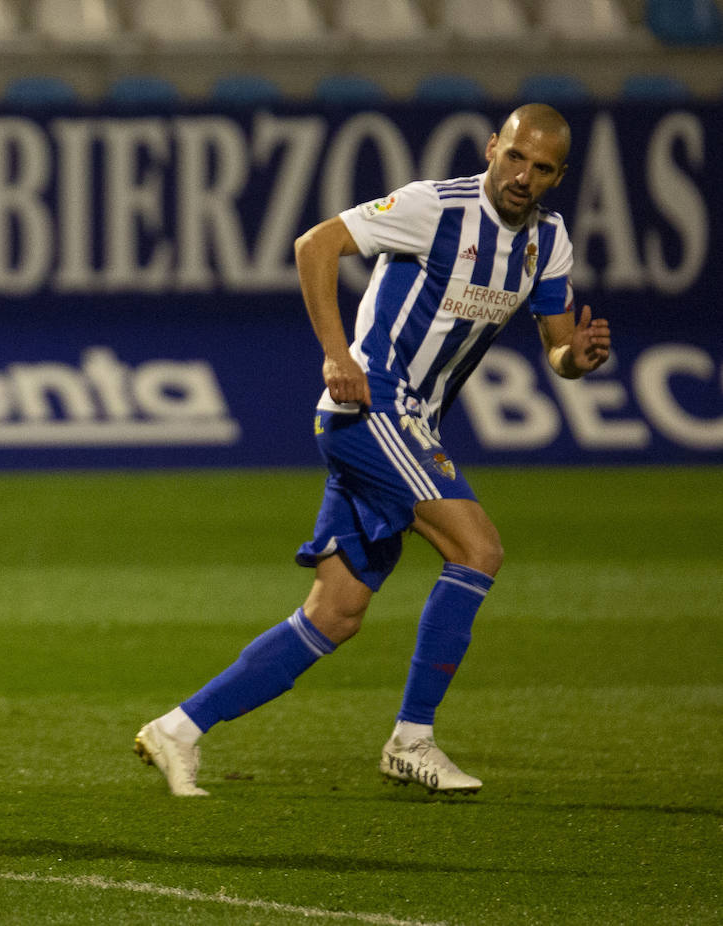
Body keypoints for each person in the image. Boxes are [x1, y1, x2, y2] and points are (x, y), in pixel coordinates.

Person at [135, 104, 610, 797]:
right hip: (371, 408)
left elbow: (558, 350)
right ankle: (412, 739)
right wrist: (335, 355)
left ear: (557, 177)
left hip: (415, 423)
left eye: (540, 169)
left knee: (336, 613)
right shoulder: (433, 207)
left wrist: (579, 358)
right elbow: (314, 245)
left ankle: (178, 729)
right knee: (478, 551)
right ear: (491, 148)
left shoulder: (548, 240)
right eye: (513, 157)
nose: (521, 176)